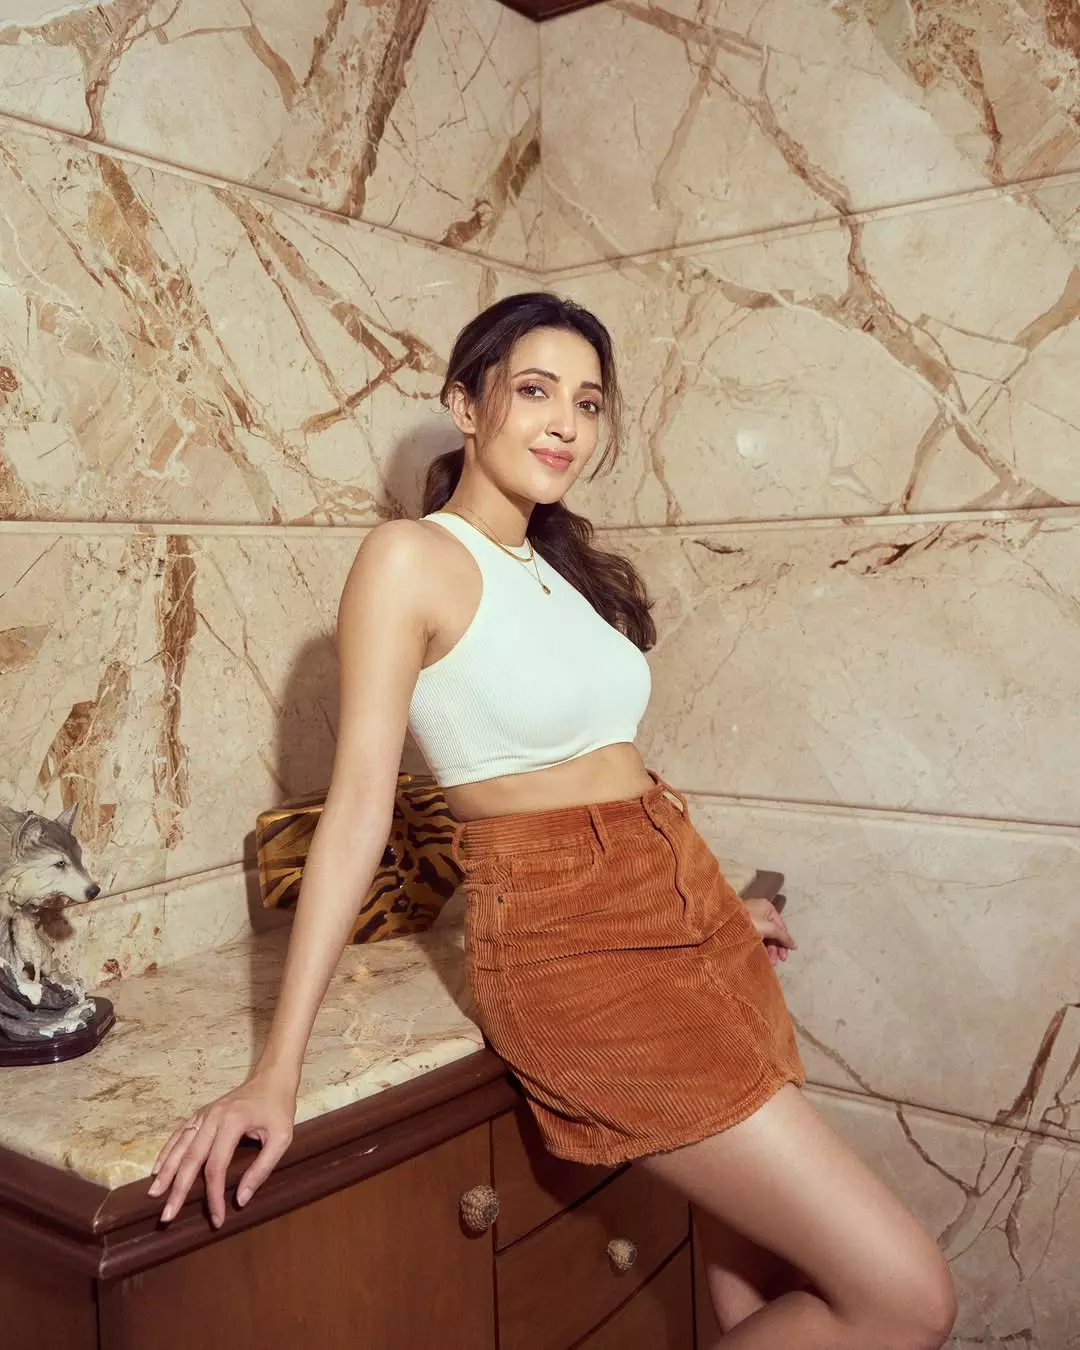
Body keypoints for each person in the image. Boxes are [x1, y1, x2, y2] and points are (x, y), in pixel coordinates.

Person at [149, 292, 956, 1347]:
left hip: (685, 917)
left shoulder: (557, 568)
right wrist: (276, 1072)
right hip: (578, 954)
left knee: (758, 1298)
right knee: (906, 1297)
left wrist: (717, 907)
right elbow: (357, 812)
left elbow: (610, 772)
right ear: (464, 404)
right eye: (534, 391)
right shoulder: (410, 558)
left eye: (588, 402)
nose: (565, 424)